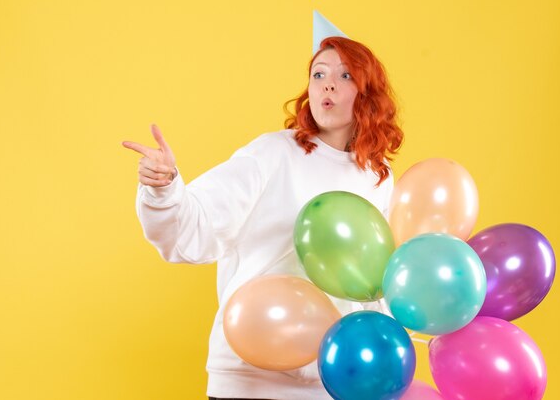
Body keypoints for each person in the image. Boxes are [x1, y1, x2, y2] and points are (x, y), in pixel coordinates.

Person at [122, 36, 403, 400]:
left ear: (369, 94)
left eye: (345, 75)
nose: (328, 84)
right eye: (318, 75)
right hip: (250, 378)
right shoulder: (274, 153)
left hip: (333, 380)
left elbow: (374, 282)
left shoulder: (377, 177)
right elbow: (196, 230)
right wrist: (165, 188)